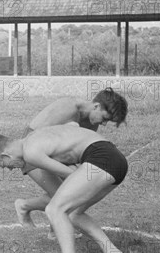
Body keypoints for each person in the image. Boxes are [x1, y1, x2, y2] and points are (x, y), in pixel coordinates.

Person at [0, 123, 128, 253]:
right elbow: (73, 126)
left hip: (102, 159)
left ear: (5, 154)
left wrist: (78, 171)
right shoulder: (37, 136)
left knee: (55, 209)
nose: (9, 169)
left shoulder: (31, 152)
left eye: (5, 165)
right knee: (73, 213)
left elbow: (70, 175)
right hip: (113, 159)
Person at [16, 88, 128, 233]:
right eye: (105, 118)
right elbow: (36, 138)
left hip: (59, 154)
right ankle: (24, 207)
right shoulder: (67, 108)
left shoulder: (92, 123)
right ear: (96, 106)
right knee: (62, 197)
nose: (104, 123)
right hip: (31, 151)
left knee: (72, 194)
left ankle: (51, 227)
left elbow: (78, 148)